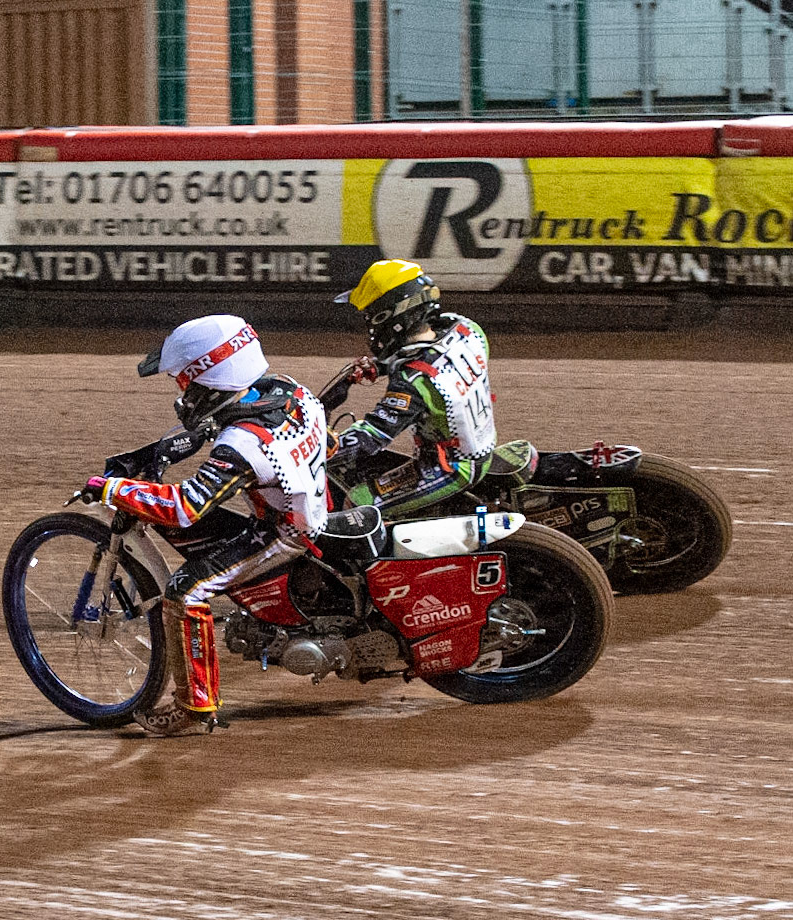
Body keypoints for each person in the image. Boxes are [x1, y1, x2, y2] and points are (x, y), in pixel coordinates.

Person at [76, 314, 328, 736]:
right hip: (311, 500)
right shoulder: (286, 391)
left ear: (209, 379)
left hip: (284, 534)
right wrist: (155, 452)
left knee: (184, 590)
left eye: (183, 383)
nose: (181, 394)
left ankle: (195, 709)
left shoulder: (243, 445)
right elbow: (213, 426)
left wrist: (113, 489)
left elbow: (183, 508)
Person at [327, 259, 497, 514]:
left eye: (370, 316)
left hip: (452, 467)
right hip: (482, 445)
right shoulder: (467, 329)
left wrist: (325, 445)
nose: (369, 324)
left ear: (391, 315)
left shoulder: (412, 382)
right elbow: (434, 358)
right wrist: (382, 365)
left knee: (360, 502)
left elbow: (373, 435)